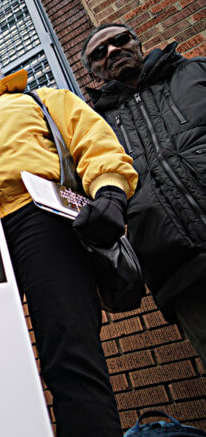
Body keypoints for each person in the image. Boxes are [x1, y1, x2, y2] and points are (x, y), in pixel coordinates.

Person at [0, 49, 138, 437]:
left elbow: (92, 139)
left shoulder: (39, 99)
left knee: (70, 353)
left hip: (41, 216)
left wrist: (109, 190)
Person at [82, 23, 206, 364]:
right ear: (93, 73)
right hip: (181, 275)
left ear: (138, 43)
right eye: (99, 53)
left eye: (119, 40)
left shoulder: (194, 72)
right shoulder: (95, 126)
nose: (112, 51)